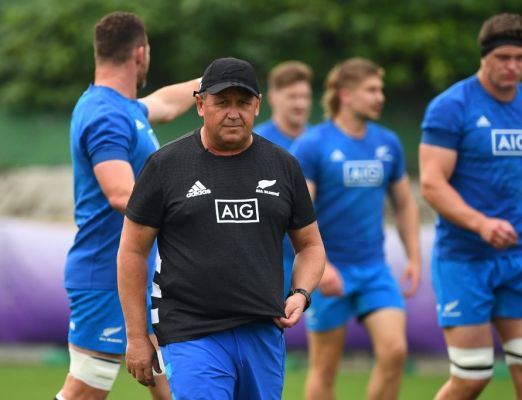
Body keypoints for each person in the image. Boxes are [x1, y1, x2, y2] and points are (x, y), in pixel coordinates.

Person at [117, 57, 326, 400]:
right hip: (190, 332)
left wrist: (301, 294)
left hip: (263, 330)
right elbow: (132, 250)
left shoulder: (284, 165)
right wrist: (137, 336)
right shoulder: (165, 166)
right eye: (222, 102)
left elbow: (311, 246)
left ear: (257, 105)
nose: (233, 112)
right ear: (200, 104)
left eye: (242, 103)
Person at [419, 13, 522, 400]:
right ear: (484, 56)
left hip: (520, 261)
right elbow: (432, 184)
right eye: (504, 57)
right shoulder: (451, 106)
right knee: (472, 377)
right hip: (464, 260)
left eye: (520, 58)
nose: (513, 66)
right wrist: (481, 223)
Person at [58, 11, 200, 400]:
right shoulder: (106, 115)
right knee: (85, 392)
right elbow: (121, 194)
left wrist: (208, 84)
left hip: (138, 278)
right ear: (140, 53)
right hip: (105, 276)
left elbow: (165, 104)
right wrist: (191, 210)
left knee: (175, 387)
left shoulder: (124, 109)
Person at [291, 57, 421, 400]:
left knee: (395, 352)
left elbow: (405, 203)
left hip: (375, 269)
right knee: (325, 367)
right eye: (372, 90)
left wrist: (414, 257)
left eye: (381, 90)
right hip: (329, 271)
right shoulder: (314, 144)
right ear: (346, 95)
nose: (381, 97)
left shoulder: (388, 143)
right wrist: (322, 266)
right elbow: (298, 214)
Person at [254, 60, 313, 297]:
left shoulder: (319, 142)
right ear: (273, 97)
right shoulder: (255, 142)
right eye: (292, 96)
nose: (300, 104)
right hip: (270, 260)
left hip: (313, 254)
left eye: (305, 96)